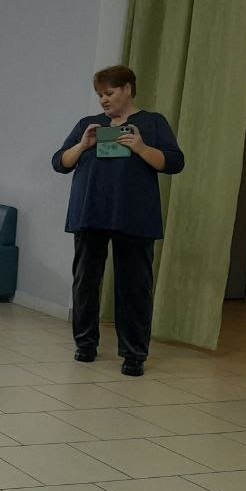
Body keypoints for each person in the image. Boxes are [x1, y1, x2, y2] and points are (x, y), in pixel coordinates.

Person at [52, 65, 185, 377]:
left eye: (109, 93)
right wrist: (83, 145)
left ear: (127, 89)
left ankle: (134, 354)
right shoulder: (89, 124)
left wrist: (141, 147)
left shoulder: (152, 122)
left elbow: (175, 162)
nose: (103, 100)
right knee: (86, 281)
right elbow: (60, 162)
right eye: (100, 94)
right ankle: (85, 344)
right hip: (90, 213)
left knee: (135, 286)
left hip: (134, 215)